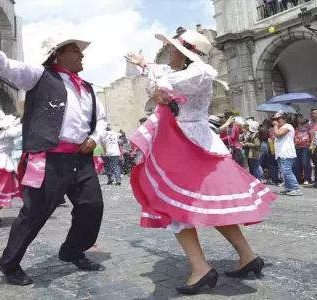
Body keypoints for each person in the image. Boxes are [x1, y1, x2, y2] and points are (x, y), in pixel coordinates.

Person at [125, 29, 276, 294]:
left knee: (173, 204)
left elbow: (166, 83)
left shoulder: (200, 71)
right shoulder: (184, 72)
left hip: (186, 146)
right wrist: (145, 67)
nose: (169, 52)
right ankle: (247, 256)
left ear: (185, 55)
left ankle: (201, 268)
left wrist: (157, 82)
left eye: (173, 49)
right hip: (188, 143)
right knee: (210, 205)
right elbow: (159, 77)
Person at [0, 20, 107, 285]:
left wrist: (94, 137)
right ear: (59, 54)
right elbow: (3, 64)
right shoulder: (38, 76)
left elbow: (101, 119)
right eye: (76, 50)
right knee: (34, 214)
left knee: (92, 206)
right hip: (48, 158)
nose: (82, 55)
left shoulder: (88, 88)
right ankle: (10, 265)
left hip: (81, 157)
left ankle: (72, 251)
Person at [272, 111, 301, 196]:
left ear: (284, 118)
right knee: (283, 171)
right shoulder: (280, 127)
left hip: (286, 152)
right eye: (274, 119)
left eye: (278, 119)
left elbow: (278, 135)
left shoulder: (287, 126)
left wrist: (275, 125)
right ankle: (288, 188)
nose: (276, 121)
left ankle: (295, 188)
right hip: (280, 153)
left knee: (287, 171)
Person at [293, 114, 312, 185]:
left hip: (305, 147)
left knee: (305, 163)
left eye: (301, 117)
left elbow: (312, 136)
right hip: (296, 147)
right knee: (296, 164)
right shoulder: (295, 128)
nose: (299, 119)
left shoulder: (307, 126)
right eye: (298, 118)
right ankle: (297, 178)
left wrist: (311, 145)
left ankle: (307, 178)